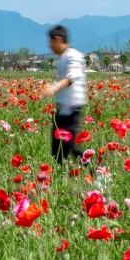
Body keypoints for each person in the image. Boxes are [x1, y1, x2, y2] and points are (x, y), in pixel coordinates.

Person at [43, 25, 87, 163]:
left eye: (50, 42)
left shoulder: (74, 56)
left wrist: (54, 88)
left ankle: (97, 171)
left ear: (57, 39)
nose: (49, 46)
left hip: (72, 109)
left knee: (69, 145)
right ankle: (58, 177)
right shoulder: (62, 58)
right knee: (57, 149)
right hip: (62, 109)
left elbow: (71, 77)